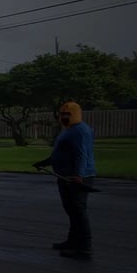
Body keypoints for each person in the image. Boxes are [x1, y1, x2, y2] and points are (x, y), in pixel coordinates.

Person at [33, 101, 96, 259]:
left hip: (76, 178)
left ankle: (85, 248)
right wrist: (45, 162)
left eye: (67, 115)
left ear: (75, 115)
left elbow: (82, 155)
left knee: (78, 212)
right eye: (62, 114)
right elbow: (61, 152)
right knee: (72, 212)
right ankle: (72, 241)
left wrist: (79, 176)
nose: (64, 117)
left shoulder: (80, 131)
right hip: (65, 176)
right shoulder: (69, 130)